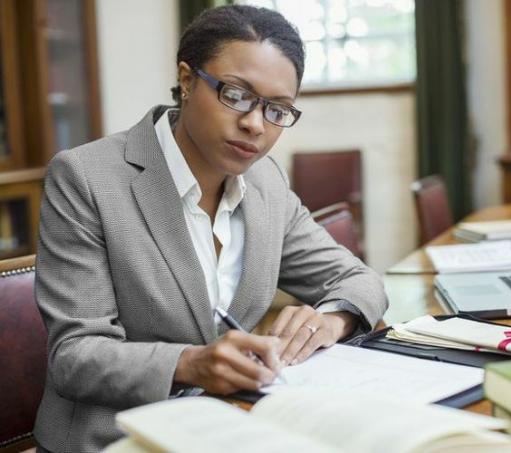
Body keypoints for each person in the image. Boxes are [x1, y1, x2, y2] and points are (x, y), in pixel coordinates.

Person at [33, 5, 387, 452]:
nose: (255, 124)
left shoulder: (266, 182)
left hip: (230, 426)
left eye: (278, 109)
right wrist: (190, 364)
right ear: (186, 79)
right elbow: (75, 356)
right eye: (236, 95)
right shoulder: (86, 177)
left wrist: (331, 319)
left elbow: (359, 280)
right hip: (115, 438)